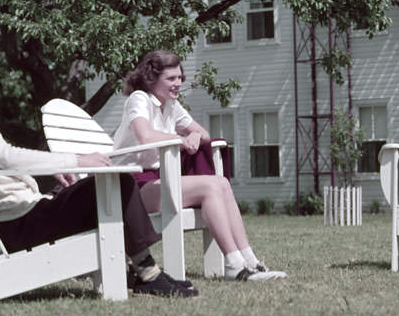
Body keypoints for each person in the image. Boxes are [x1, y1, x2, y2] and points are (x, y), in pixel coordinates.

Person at [0, 42, 197, 298]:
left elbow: (1, 160)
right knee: (119, 183)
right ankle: (147, 273)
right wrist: (76, 161)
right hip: (21, 224)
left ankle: (137, 270)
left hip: (28, 213)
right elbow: (7, 158)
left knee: (112, 184)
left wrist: (55, 169)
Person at [112, 50, 286, 282]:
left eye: (180, 78)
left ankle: (250, 260)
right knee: (211, 187)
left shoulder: (171, 106)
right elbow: (144, 135)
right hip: (130, 186)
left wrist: (194, 137)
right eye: (171, 78)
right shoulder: (140, 99)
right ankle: (234, 265)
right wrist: (180, 140)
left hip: (157, 178)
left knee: (221, 183)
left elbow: (202, 132)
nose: (178, 83)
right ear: (151, 79)